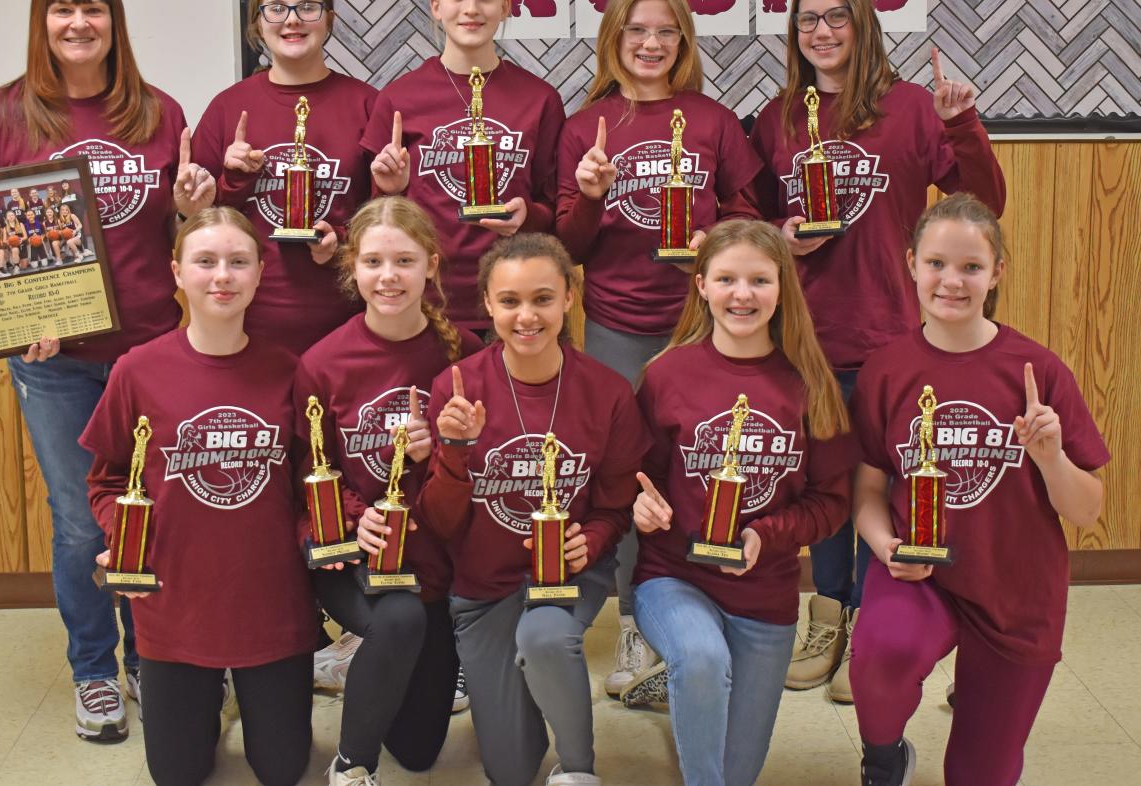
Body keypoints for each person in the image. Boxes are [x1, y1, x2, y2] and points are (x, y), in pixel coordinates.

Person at [0, 0, 214, 741]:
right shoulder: (1, 116)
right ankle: (96, 671)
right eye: (62, 12)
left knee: (157, 514)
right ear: (42, 23)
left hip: (151, 353)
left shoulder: (159, 113)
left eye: (92, 11)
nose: (77, 25)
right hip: (54, 360)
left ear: (113, 23)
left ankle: (155, 660)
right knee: (82, 526)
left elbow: (185, 231)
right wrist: (17, 312)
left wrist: (195, 206)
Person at [747, 0, 1007, 700]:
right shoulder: (778, 119)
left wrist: (961, 121)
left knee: (890, 487)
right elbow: (749, 219)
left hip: (892, 335)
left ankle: (870, 619)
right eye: (806, 21)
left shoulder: (913, 109)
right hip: (805, 339)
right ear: (793, 35)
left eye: (836, 18)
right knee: (825, 485)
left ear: (862, 23)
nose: (821, 32)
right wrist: (781, 234)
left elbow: (981, 203)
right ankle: (825, 613)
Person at [849, 193, 1106, 786]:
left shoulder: (1038, 372)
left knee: (980, 775)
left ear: (997, 274)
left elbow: (1087, 509)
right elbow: (866, 483)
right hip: (919, 574)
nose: (952, 281)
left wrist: (1049, 460)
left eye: (971, 267)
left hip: (1015, 589)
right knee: (881, 658)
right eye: (937, 263)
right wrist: (886, 544)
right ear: (910, 264)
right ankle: (884, 759)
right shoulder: (886, 369)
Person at [556, 0, 763, 698]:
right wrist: (586, 194)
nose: (650, 44)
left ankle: (697, 621)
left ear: (683, 43)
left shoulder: (711, 120)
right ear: (612, 39)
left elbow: (746, 217)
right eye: (635, 31)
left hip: (697, 331)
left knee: (692, 474)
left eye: (665, 32)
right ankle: (634, 635)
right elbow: (569, 246)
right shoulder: (586, 127)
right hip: (614, 327)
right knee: (620, 480)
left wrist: (714, 239)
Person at [83, 207, 318, 786]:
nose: (222, 276)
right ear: (176, 273)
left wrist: (317, 541)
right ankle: (205, 700)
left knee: (283, 771)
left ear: (260, 274)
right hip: (176, 606)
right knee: (177, 775)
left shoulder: (290, 371)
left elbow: (315, 486)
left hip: (271, 607)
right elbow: (108, 479)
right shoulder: (137, 371)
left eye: (239, 262)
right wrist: (125, 536)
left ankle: (245, 696)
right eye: (205, 261)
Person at [628, 220, 857, 785]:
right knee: (703, 663)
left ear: (782, 288)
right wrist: (639, 504)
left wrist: (767, 534)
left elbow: (831, 503)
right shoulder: (665, 374)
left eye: (759, 280)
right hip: (672, 577)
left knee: (737, 772)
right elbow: (630, 475)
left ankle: (689, 683)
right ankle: (692, 669)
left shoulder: (811, 385)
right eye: (727, 278)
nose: (743, 294)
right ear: (701, 285)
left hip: (765, 597)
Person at [418, 233, 651, 786]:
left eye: (543, 298)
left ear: (570, 297)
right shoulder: (457, 389)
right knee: (510, 770)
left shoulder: (609, 391)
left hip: (567, 578)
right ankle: (515, 690)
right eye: (510, 301)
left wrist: (591, 541)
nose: (527, 316)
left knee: (545, 638)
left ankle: (578, 772)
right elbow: (442, 523)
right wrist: (454, 451)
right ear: (489, 306)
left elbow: (617, 507)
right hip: (484, 588)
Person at [295, 196, 482, 786]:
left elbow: (490, 467)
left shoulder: (465, 355)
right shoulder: (322, 362)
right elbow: (307, 469)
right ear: (352, 268)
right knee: (397, 619)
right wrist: (356, 518)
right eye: (373, 261)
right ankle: (352, 766)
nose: (389, 277)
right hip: (352, 553)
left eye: (403, 261)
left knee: (421, 749)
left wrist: (443, 455)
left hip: (433, 558)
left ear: (430, 264)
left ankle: (377, 665)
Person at [363, 0, 566, 332]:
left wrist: (528, 217)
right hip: (424, 303)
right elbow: (373, 218)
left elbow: (554, 205)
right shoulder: (399, 98)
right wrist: (390, 190)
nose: (471, 9)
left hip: (513, 304)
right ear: (436, 7)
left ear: (506, 6)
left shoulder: (540, 99)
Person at [193, 0, 376, 355]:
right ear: (258, 23)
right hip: (246, 326)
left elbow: (386, 215)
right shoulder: (227, 108)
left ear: (329, 19)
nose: (291, 20)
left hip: (348, 323)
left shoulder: (367, 104)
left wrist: (341, 241)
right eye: (276, 9)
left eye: (307, 8)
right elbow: (198, 224)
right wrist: (233, 181)